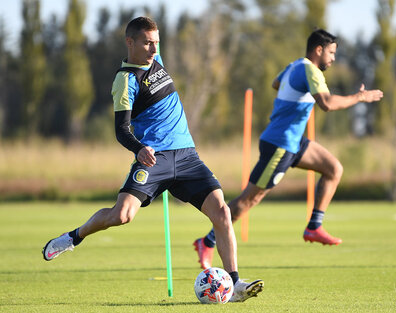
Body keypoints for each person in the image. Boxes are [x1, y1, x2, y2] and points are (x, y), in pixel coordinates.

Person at [42, 16, 263, 302]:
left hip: (187, 157)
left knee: (222, 213)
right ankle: (73, 237)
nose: (153, 49)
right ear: (130, 42)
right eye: (147, 43)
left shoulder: (157, 61)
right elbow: (121, 130)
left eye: (156, 43)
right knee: (122, 216)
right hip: (153, 160)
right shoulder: (125, 81)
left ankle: (234, 285)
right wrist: (138, 149)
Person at [193, 29, 384, 269]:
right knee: (248, 201)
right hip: (280, 145)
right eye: (332, 53)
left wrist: (292, 95)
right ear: (318, 50)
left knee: (334, 168)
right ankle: (207, 242)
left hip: (294, 141)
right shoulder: (310, 70)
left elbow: (276, 83)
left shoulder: (294, 66)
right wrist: (360, 98)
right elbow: (326, 103)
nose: (334, 58)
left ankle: (314, 226)